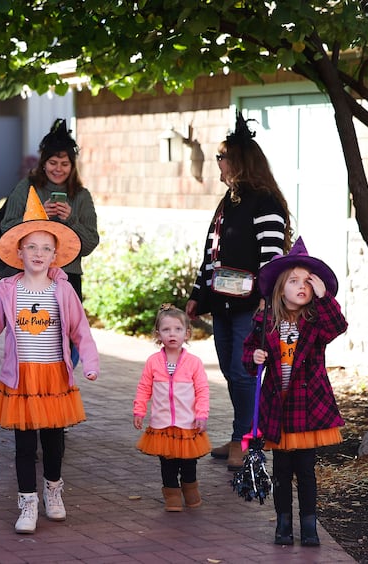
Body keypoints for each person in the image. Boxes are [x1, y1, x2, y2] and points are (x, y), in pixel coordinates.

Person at [0, 186, 99, 534]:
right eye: (32, 247)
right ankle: (27, 501)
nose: (39, 253)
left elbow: (80, 330)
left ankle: (53, 492)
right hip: (21, 379)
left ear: (55, 254)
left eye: (46, 248)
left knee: (54, 443)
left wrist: (89, 361)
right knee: (24, 445)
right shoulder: (8, 290)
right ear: (20, 252)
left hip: (54, 378)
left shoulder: (62, 290)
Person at [185, 111, 293, 472]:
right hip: (223, 304)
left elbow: (272, 257)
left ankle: (245, 440)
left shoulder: (265, 203)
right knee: (232, 373)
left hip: (251, 305)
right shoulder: (227, 202)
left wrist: (266, 300)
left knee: (244, 371)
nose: (218, 162)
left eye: (221, 156)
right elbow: (211, 254)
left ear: (239, 161)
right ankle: (241, 433)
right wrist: (198, 294)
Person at [242, 236, 347, 547]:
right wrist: (255, 358)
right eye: (294, 280)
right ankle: (283, 525)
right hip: (279, 408)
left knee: (306, 471)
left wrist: (324, 295)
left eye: (307, 282)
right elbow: (249, 358)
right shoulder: (265, 321)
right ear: (279, 288)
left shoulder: (315, 321)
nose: (302, 286)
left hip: (308, 407)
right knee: (282, 471)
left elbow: (337, 326)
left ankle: (310, 526)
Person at [0, 118, 98, 306]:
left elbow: (89, 245)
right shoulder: (27, 187)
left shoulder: (81, 196)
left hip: (68, 277)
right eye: (53, 162)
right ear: (43, 164)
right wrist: (36, 216)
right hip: (28, 275)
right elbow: (7, 230)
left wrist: (71, 219)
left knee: (66, 333)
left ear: (72, 166)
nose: (58, 169)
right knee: (31, 331)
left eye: (64, 163)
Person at [133, 304, 211, 512]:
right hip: (162, 424)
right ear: (158, 334)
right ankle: (171, 494)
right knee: (167, 463)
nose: (172, 334)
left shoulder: (194, 363)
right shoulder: (153, 362)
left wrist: (202, 414)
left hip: (188, 423)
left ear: (187, 333)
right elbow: (144, 388)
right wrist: (139, 410)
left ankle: (190, 488)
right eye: (166, 330)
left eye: (177, 329)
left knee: (188, 462)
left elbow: (202, 390)